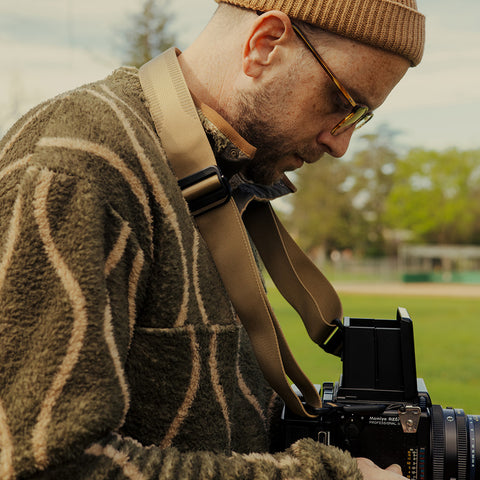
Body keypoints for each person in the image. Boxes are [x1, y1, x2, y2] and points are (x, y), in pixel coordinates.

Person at [0, 0, 424, 478]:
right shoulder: (80, 164)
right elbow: (44, 463)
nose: (340, 144)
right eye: (343, 104)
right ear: (265, 44)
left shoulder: (218, 177)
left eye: (358, 119)